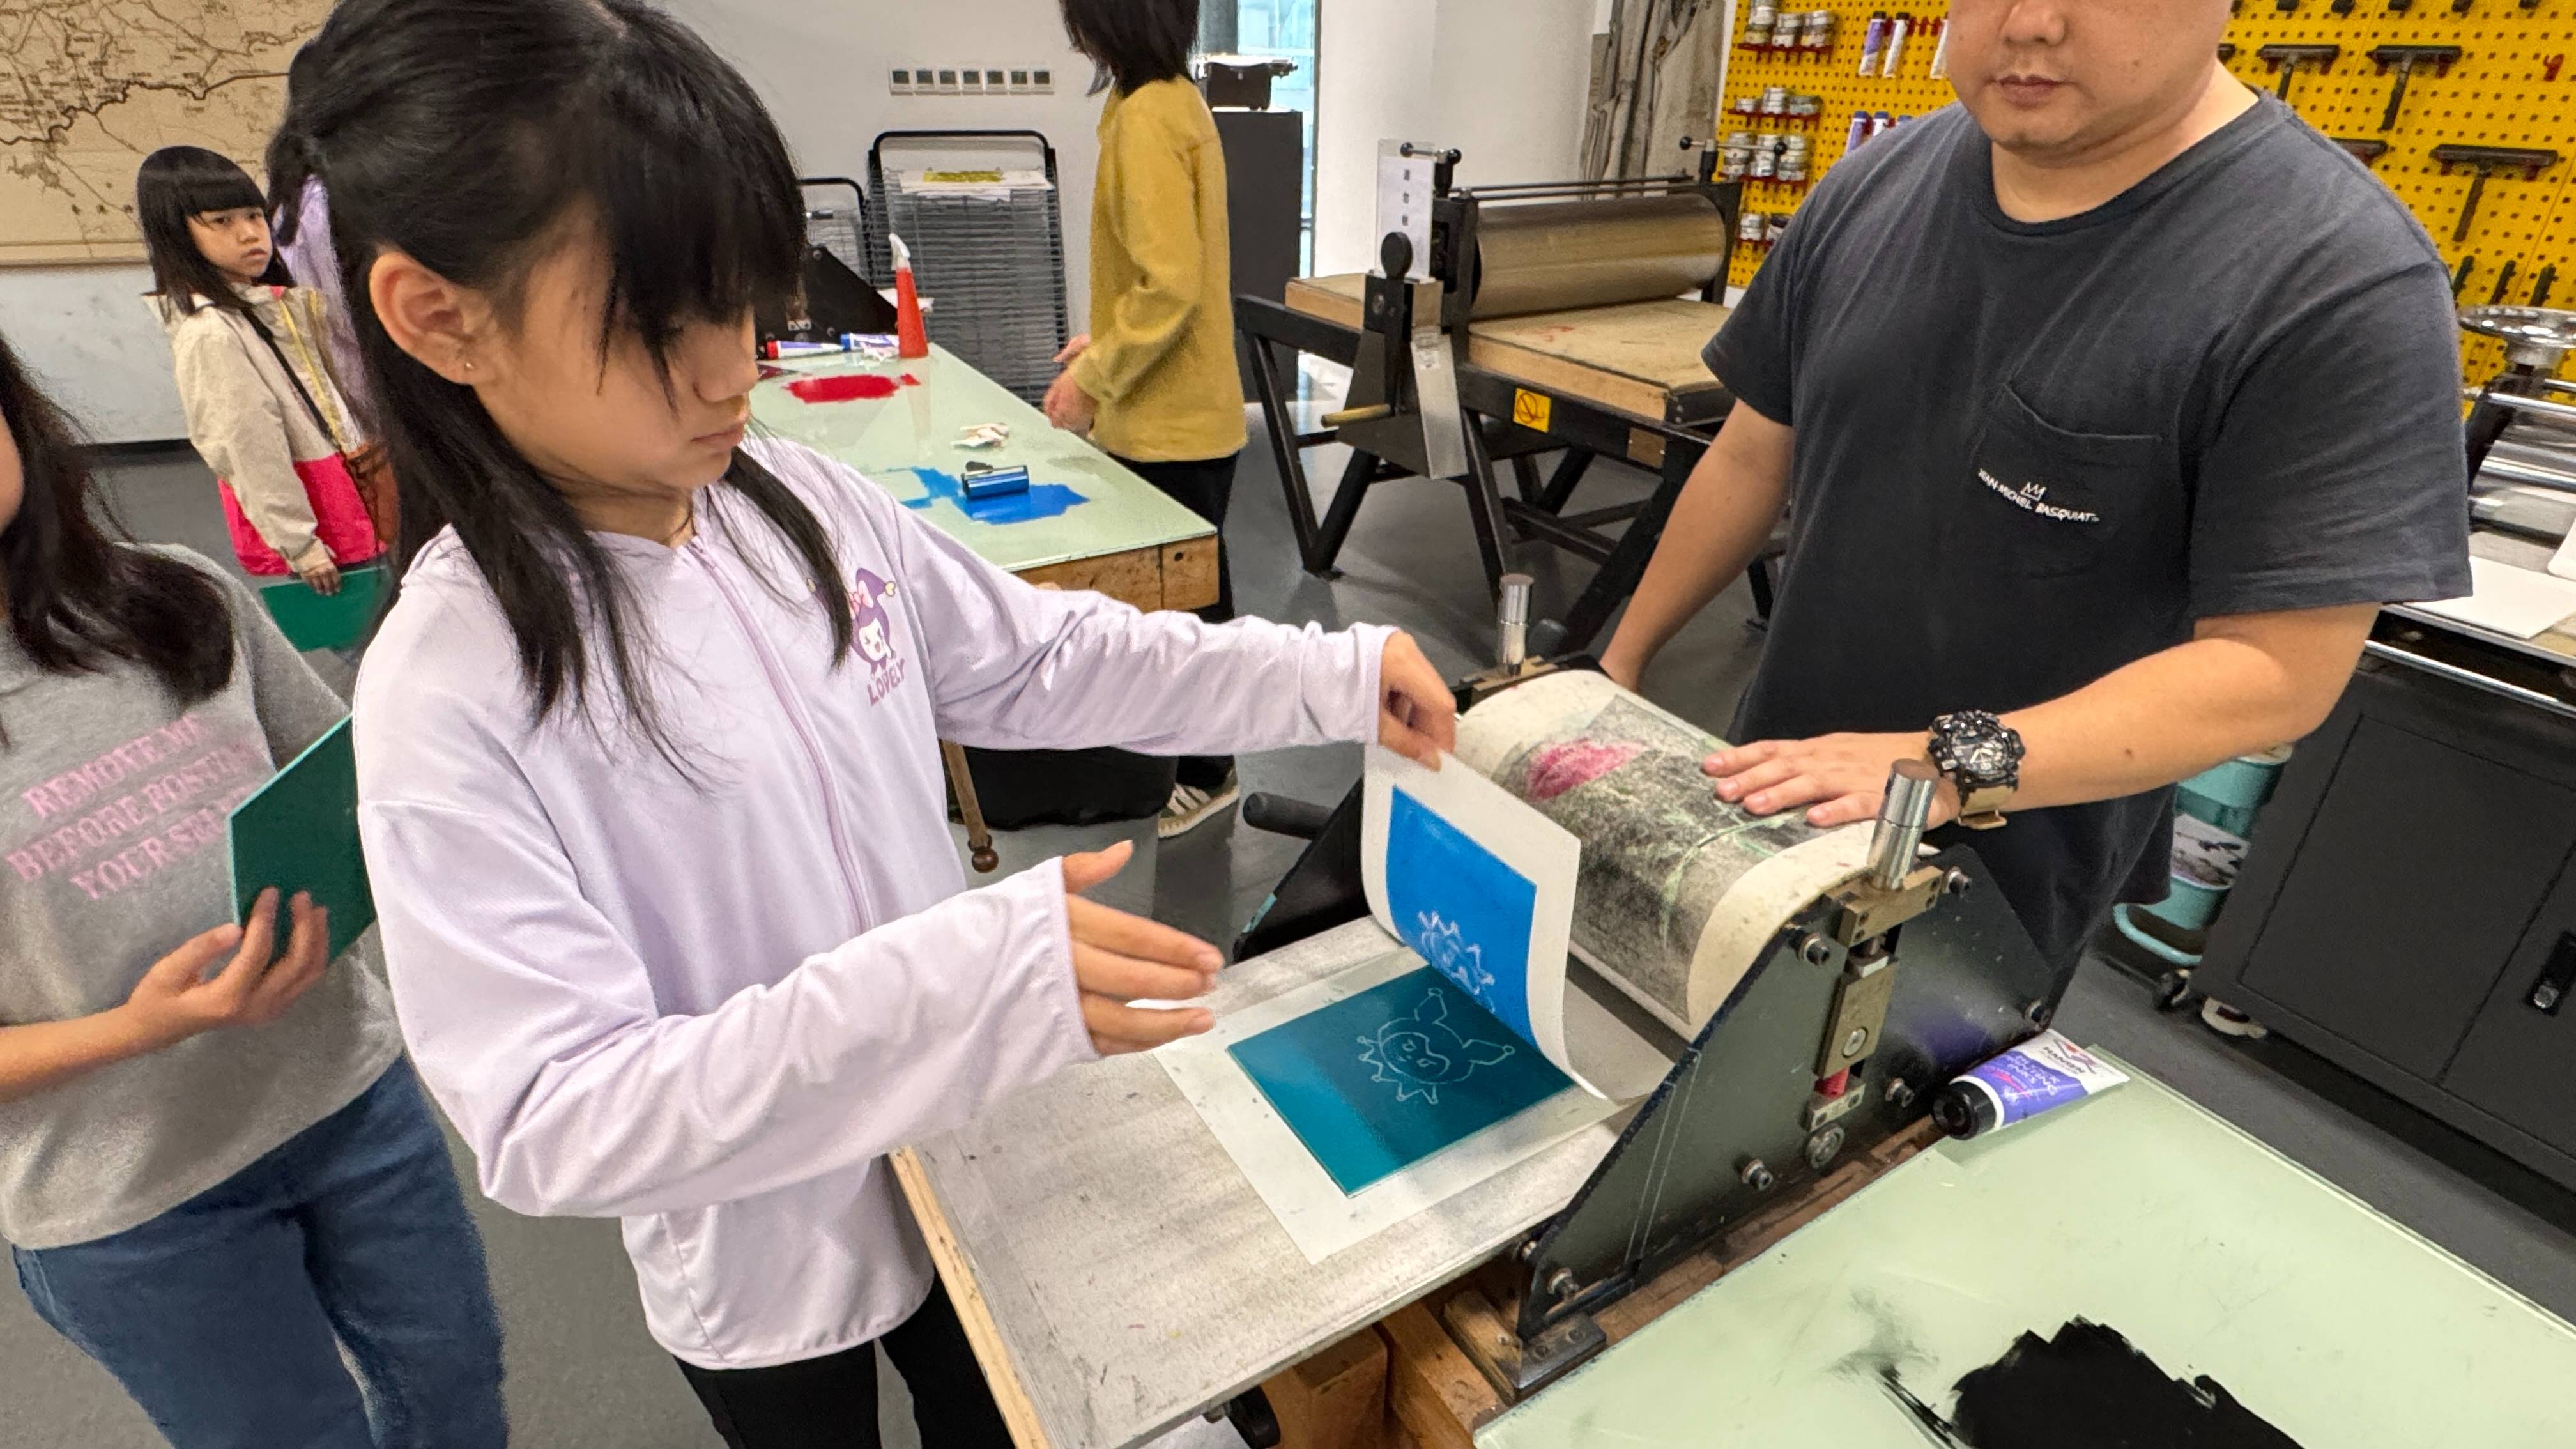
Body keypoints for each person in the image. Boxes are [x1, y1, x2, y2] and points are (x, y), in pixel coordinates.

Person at [282, 3, 1456, 1446]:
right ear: (439, 317)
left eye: (744, 307)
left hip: (974, 1151)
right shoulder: (455, 686)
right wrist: (949, 988)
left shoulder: (803, 504)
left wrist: (1328, 675)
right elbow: (549, 1117)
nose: (734, 369)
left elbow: (1040, 661)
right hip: (763, 1243)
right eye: (662, 325)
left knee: (1012, 1408)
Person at [1596, 0, 2471, 974]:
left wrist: (1944, 766)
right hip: (1771, 790)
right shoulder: (1875, 183)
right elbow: (1753, 454)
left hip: (1996, 883)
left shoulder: (2337, 280)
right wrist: (1619, 665)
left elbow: (2276, 673)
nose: (2030, 22)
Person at [0, 326, 507, 1448]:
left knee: (456, 1392)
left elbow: (342, 790)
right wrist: (142, 1027)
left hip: (345, 1092)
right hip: (133, 1197)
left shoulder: (173, 596)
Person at [1046, 0, 1252, 839]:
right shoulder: (1172, 99)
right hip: (1189, 409)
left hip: (1170, 426)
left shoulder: (1145, 119)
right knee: (1192, 598)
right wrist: (1104, 340)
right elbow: (1167, 273)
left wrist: (1095, 379)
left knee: (1186, 609)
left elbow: (1169, 287)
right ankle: (1200, 757)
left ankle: (1207, 771)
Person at [139, 146, 380, 597]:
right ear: (176, 233)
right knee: (357, 625)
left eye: (253, 215)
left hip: (341, 497)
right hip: (316, 524)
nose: (250, 234)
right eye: (222, 221)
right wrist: (300, 544)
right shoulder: (212, 333)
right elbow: (246, 445)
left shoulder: (264, 307)